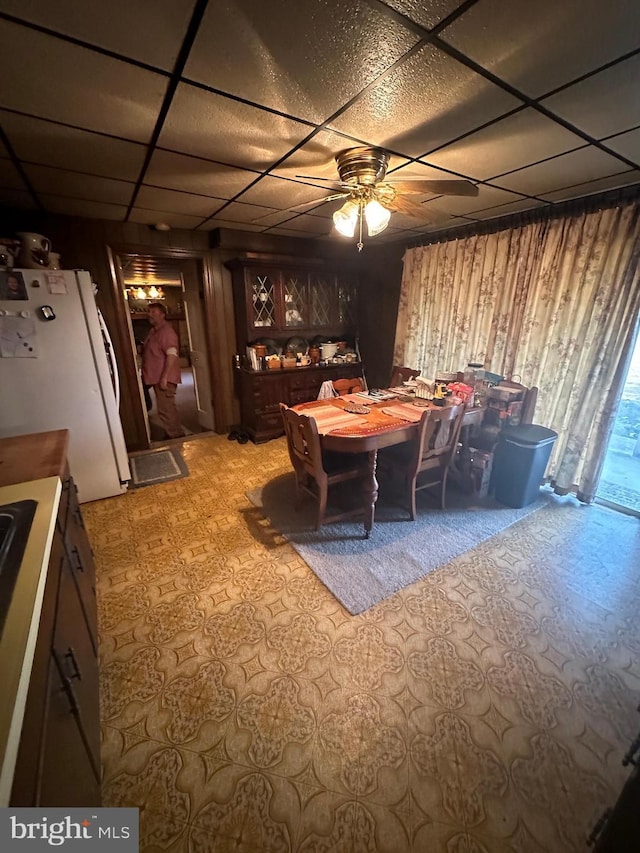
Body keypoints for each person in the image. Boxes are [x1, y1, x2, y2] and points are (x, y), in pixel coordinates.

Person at [141, 302, 184, 438]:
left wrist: (165, 377)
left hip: (163, 378)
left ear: (163, 315)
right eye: (149, 312)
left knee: (166, 409)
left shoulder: (166, 332)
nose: (150, 314)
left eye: (153, 312)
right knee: (165, 408)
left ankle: (175, 436)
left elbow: (172, 354)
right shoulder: (154, 331)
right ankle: (174, 433)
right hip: (154, 376)